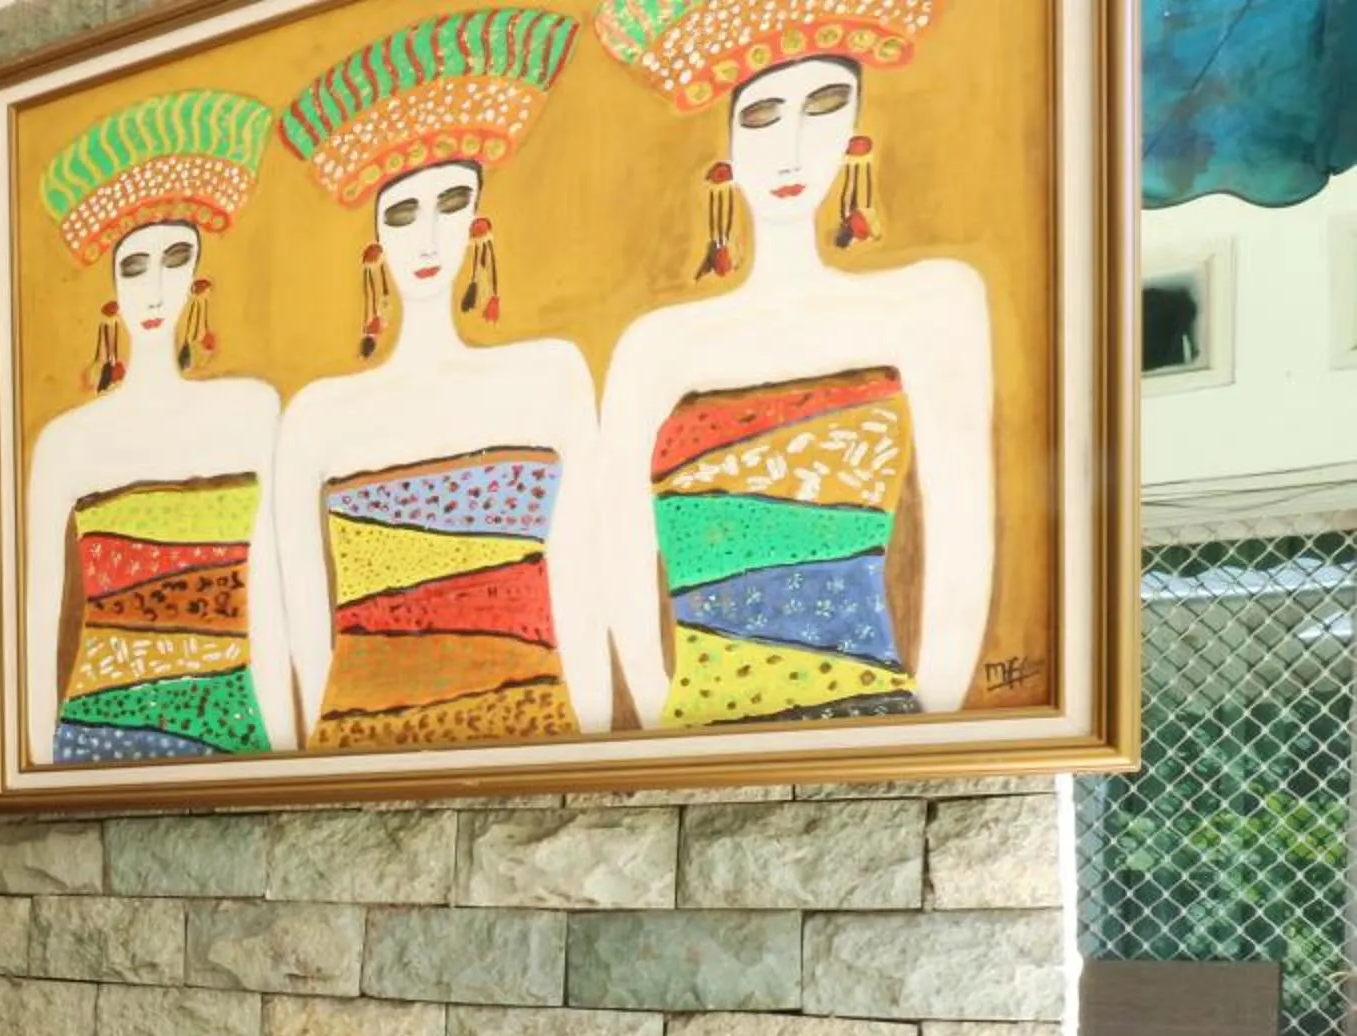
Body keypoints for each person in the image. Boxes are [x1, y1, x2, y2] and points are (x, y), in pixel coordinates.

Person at [591, 0, 993, 729]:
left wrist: (931, 733)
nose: (792, 147)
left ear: (856, 132)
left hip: (873, 713)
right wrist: (657, 727)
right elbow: (615, 549)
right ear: (728, 144)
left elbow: (963, 539)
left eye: (825, 106)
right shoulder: (656, 346)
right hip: (694, 723)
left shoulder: (930, 306)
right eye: (763, 116)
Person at [270, 8, 610, 749]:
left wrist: (596, 750)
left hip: (536, 725)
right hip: (357, 738)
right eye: (402, 214)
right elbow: (304, 638)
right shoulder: (316, 417)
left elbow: (585, 588)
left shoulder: (550, 376)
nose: (426, 237)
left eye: (450, 204)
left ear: (477, 221)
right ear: (375, 240)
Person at [24, 88, 297, 763]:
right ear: (112, 290)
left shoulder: (253, 410)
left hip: (233, 725)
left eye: (174, 258)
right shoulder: (65, 443)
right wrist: (35, 765)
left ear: (198, 273)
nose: (153, 288)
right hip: (93, 735)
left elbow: (271, 602)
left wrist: (288, 753)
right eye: (134, 266)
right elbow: (34, 626)